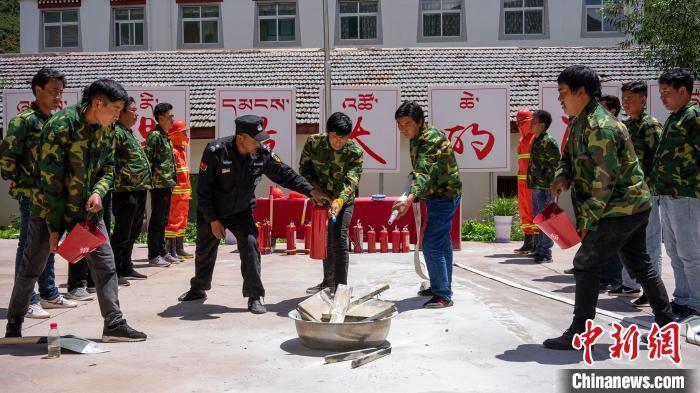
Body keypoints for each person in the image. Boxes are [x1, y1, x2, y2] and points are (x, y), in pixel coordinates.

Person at [543, 65, 674, 350]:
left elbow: (605, 180)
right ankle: (667, 324)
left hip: (620, 208)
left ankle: (579, 333)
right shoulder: (580, 121)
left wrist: (587, 220)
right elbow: (568, 156)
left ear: (582, 92)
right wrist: (562, 175)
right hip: (627, 206)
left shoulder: (601, 126)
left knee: (585, 264)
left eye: (564, 93)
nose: (560, 99)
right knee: (640, 264)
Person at [5, 79, 146, 342]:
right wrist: (55, 229)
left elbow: (109, 167)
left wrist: (98, 191)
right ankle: (14, 323)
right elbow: (50, 182)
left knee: (105, 266)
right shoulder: (60, 126)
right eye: (115, 109)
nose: (118, 115)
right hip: (48, 210)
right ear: (97, 103)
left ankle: (113, 324)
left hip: (87, 211)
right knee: (31, 267)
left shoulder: (108, 129)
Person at [177, 115, 329, 314]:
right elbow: (203, 192)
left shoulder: (262, 154)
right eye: (255, 139)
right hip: (213, 209)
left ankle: (255, 295)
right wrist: (213, 220)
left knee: (250, 245)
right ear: (241, 138)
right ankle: (198, 288)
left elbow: (285, 174)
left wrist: (310, 190)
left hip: (241, 210)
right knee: (205, 250)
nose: (260, 143)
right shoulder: (216, 152)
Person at [0, 67, 77, 319]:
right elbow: (7, 159)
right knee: (28, 246)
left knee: (49, 244)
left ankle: (49, 293)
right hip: (32, 195)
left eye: (60, 92)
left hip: (53, 196)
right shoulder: (23, 121)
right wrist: (22, 185)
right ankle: (26, 300)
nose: (58, 96)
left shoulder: (55, 122)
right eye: (53, 91)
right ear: (38, 90)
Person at [392, 101, 462, 309]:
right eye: (399, 125)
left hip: (444, 195)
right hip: (436, 194)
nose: (403, 129)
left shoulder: (430, 140)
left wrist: (409, 199)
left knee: (432, 244)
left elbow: (422, 172)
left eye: (407, 124)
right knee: (442, 243)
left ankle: (443, 296)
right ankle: (441, 285)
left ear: (420, 122)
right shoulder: (417, 137)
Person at [650, 68, 700, 319]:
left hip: (686, 193)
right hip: (668, 195)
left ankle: (697, 302)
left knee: (690, 252)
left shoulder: (693, 117)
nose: (662, 98)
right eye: (661, 93)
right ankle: (682, 298)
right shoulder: (675, 117)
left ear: (683, 91)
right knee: (674, 251)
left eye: (666, 92)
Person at [299, 112, 364, 294]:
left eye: (343, 138)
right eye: (335, 137)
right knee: (325, 239)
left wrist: (339, 200)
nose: (338, 142)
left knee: (339, 238)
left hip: (344, 199)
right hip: (320, 196)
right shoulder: (313, 143)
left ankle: (341, 288)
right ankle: (328, 282)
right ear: (328, 132)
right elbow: (304, 170)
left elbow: (352, 181)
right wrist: (316, 190)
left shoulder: (355, 152)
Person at [613, 81, 663, 306]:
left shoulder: (650, 125)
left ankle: (651, 290)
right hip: (628, 193)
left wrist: (650, 187)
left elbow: (658, 159)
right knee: (629, 241)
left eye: (631, 99)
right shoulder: (626, 125)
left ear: (644, 99)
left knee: (650, 242)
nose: (626, 103)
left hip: (646, 192)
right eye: (624, 99)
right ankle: (632, 283)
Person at [111, 97, 151, 283]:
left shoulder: (129, 133)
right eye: (133, 110)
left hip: (139, 188)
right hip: (124, 190)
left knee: (134, 230)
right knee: (122, 232)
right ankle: (115, 270)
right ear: (122, 113)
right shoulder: (116, 133)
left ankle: (127, 266)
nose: (137, 114)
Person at [596, 94, 625, 293]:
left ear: (613, 110)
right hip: (603, 194)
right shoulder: (600, 131)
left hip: (618, 195)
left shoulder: (617, 130)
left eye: (602, 108)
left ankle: (614, 278)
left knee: (615, 242)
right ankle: (606, 277)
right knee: (603, 240)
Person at [145, 102, 178, 266]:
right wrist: (150, 183)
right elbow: (148, 161)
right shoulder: (155, 136)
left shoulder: (165, 136)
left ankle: (162, 251)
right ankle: (153, 254)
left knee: (164, 219)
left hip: (166, 183)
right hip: (158, 184)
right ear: (160, 118)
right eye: (170, 116)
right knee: (157, 219)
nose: (173, 119)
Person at [526, 110, 560, 264]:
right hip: (536, 185)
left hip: (547, 187)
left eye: (533, 123)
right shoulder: (537, 140)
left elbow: (556, 165)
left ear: (542, 125)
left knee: (548, 220)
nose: (530, 125)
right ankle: (539, 248)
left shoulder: (549, 141)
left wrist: (551, 186)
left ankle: (546, 251)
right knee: (539, 219)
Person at [164, 120, 194, 260]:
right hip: (175, 194)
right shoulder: (172, 151)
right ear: (175, 134)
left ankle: (180, 248)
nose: (185, 135)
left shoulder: (181, 150)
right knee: (173, 221)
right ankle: (171, 250)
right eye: (183, 132)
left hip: (184, 194)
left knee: (182, 220)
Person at [513, 109, 539, 255]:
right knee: (524, 211)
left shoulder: (535, 139)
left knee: (533, 211)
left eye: (522, 122)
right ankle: (527, 242)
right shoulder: (522, 139)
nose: (520, 125)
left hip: (532, 182)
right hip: (522, 181)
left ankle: (536, 243)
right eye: (518, 122)